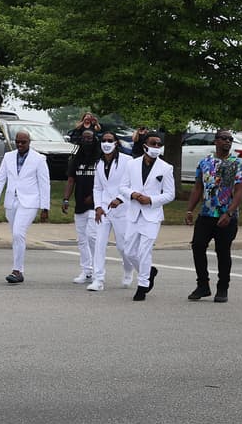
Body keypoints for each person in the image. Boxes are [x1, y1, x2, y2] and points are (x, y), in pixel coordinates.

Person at [184, 129, 242, 303]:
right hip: (206, 214)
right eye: (224, 138)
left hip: (227, 216)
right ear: (216, 141)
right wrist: (190, 210)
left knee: (222, 251)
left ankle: (223, 287)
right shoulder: (205, 163)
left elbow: (239, 191)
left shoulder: (238, 164)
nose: (227, 141)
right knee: (197, 246)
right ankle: (203, 285)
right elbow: (198, 188)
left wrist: (229, 212)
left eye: (230, 139)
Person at [0, 129, 51, 284]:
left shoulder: (39, 159)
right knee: (16, 236)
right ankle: (19, 269)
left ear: (29, 142)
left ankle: (17, 271)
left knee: (18, 233)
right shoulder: (8, 157)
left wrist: (45, 207)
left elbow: (44, 184)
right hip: (11, 201)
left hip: (29, 202)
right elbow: (0, 178)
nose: (20, 144)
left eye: (23, 142)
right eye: (17, 142)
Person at [122, 132, 175, 301]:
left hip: (152, 215)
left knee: (145, 251)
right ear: (145, 145)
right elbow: (123, 187)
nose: (157, 147)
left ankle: (143, 285)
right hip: (134, 212)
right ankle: (149, 271)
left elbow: (169, 194)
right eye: (153, 144)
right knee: (128, 251)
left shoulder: (166, 168)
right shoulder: (132, 165)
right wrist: (134, 194)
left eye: (159, 144)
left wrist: (151, 200)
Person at [86, 131, 136, 291]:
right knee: (99, 244)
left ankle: (128, 269)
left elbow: (134, 185)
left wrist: (120, 199)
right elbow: (97, 187)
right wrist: (98, 207)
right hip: (104, 210)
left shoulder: (128, 161)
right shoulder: (99, 163)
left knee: (123, 247)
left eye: (110, 140)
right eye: (104, 140)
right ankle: (98, 279)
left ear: (116, 143)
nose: (106, 143)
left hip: (123, 209)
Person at [61, 128, 100, 283]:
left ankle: (97, 270)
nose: (86, 141)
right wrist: (65, 199)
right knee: (82, 239)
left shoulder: (100, 158)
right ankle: (86, 270)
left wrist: (94, 196)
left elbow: (104, 182)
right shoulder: (76, 159)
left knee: (92, 236)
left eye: (89, 138)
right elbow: (71, 180)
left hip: (95, 204)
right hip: (80, 203)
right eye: (84, 138)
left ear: (95, 139)